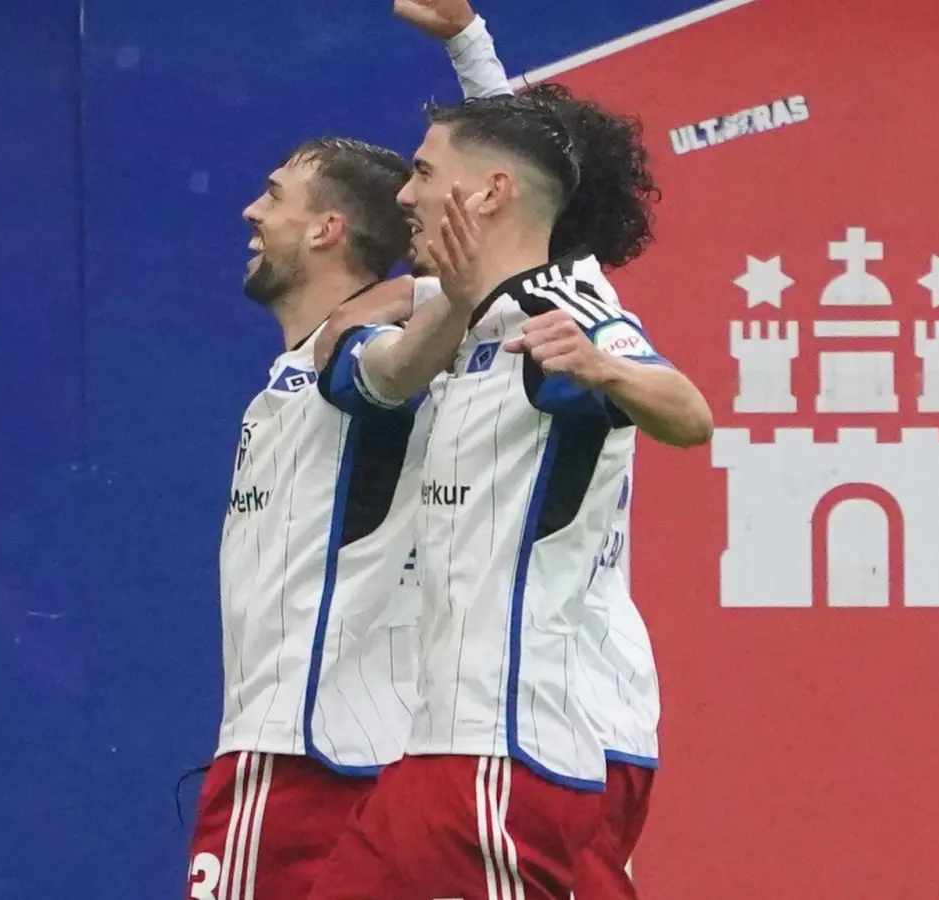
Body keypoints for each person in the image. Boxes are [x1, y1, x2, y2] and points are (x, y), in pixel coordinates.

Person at [307, 84, 709, 900]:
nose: (405, 193)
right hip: (446, 743)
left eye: (423, 172)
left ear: (490, 194)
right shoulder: (476, 326)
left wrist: (607, 369)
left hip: (507, 746)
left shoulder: (564, 310)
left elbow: (690, 414)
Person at [185, 136, 427, 900]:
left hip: (297, 760)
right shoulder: (291, 378)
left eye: (276, 195)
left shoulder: (373, 355)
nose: (251, 211)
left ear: (328, 230)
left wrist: (414, 290)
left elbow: (493, 287)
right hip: (350, 757)